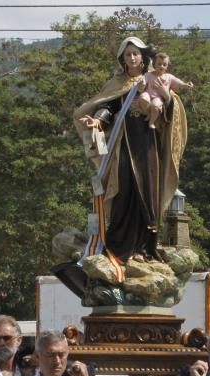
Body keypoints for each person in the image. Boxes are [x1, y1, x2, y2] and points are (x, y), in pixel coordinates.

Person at [74, 36, 187, 267]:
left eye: (136, 53)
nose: (133, 58)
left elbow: (171, 108)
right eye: (128, 54)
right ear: (122, 59)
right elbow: (108, 106)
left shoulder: (154, 79)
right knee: (124, 190)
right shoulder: (117, 83)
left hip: (149, 145)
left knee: (148, 192)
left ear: (143, 57)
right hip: (124, 146)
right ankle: (119, 247)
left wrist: (166, 101)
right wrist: (97, 121)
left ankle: (145, 247)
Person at [137, 52, 194, 129]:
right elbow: (144, 80)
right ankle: (148, 114)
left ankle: (151, 121)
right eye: (159, 64)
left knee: (155, 106)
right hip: (148, 94)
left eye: (164, 65)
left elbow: (178, 82)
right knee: (143, 97)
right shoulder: (149, 74)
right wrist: (142, 82)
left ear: (167, 66)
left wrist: (185, 84)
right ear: (154, 64)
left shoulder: (169, 77)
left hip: (158, 97)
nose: (161, 66)